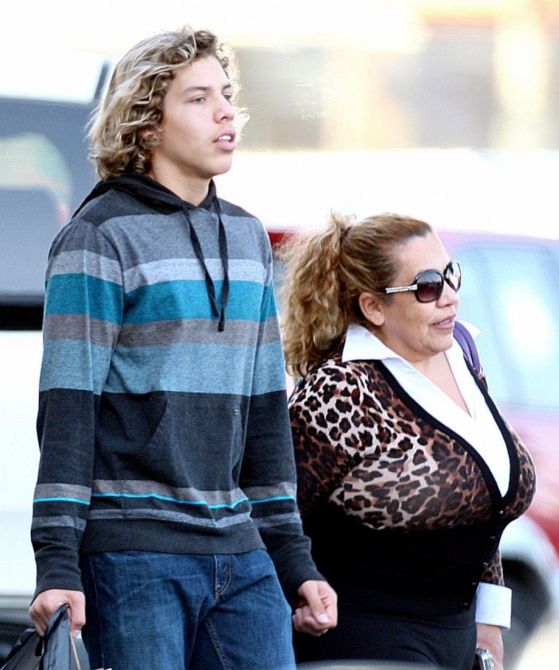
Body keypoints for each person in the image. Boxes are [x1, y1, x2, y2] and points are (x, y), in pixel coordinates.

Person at [29, 26, 336, 670]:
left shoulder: (248, 238)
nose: (226, 113)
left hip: (241, 553)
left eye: (226, 95)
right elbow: (67, 409)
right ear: (146, 124)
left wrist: (294, 560)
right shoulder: (99, 236)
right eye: (198, 99)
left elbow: (264, 413)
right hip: (133, 553)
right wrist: (57, 563)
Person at [280, 212, 536, 670]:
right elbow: (276, 511)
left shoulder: (461, 353)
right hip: (364, 638)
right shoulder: (341, 390)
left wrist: (490, 624)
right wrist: (299, 589)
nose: (450, 296)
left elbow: (485, 507)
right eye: (427, 286)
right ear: (373, 307)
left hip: (457, 637)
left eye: (451, 275)